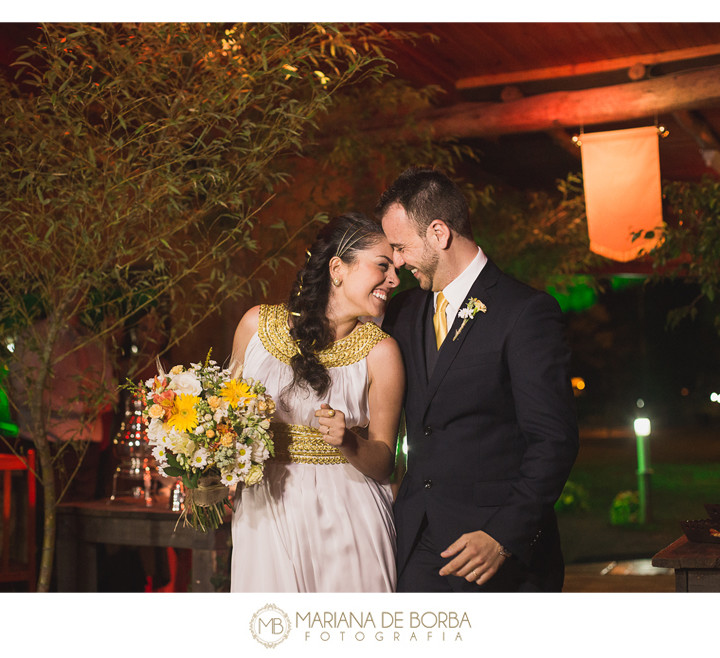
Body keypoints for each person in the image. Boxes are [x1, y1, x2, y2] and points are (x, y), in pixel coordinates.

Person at [378, 167, 579, 592]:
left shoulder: (524, 312)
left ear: (438, 233)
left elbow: (553, 440)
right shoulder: (403, 312)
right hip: (416, 540)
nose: (395, 262)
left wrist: (503, 536)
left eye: (400, 246)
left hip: (494, 551)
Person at [229, 212, 404, 592]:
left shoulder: (382, 353)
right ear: (338, 268)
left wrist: (349, 442)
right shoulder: (255, 327)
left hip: (349, 514)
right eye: (382, 266)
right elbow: (224, 419)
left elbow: (386, 461)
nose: (394, 280)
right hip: (264, 510)